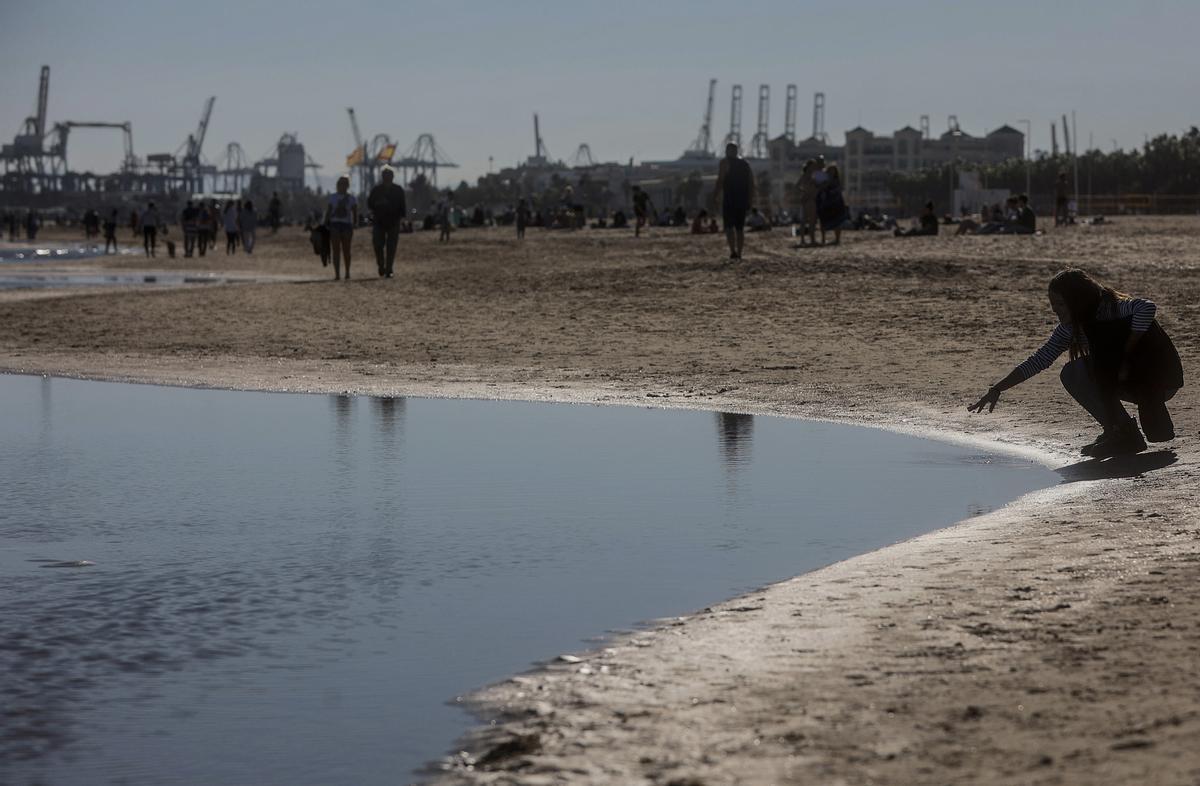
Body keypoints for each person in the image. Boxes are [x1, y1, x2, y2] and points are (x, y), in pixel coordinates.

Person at [969, 269, 1183, 458]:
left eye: (1060, 304)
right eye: (1053, 305)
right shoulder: (1069, 328)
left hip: (1160, 382)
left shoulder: (1109, 309)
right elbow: (1039, 360)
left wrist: (1127, 351)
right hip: (1126, 380)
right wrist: (997, 388)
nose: (1055, 310)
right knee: (1072, 372)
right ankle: (1121, 431)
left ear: (1077, 299)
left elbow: (1146, 307)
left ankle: (1122, 433)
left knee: (1077, 371)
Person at [713, 142, 754, 261]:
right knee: (740, 228)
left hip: (730, 199)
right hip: (742, 199)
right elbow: (751, 184)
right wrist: (750, 200)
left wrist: (715, 195)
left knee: (730, 227)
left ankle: (733, 251)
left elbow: (720, 180)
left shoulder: (725, 162)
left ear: (727, 151)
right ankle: (739, 253)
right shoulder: (746, 164)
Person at [367, 166, 406, 277]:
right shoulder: (376, 190)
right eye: (385, 175)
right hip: (379, 221)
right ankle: (381, 265)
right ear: (382, 177)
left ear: (393, 177)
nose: (387, 177)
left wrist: (402, 219)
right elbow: (370, 203)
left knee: (391, 246)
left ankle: (389, 269)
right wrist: (378, 204)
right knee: (377, 244)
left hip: (394, 221)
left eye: (389, 175)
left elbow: (402, 206)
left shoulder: (398, 190)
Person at [324, 175, 358, 279]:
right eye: (340, 184)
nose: (341, 186)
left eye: (344, 184)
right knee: (336, 250)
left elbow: (355, 212)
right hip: (335, 224)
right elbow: (329, 211)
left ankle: (347, 272)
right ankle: (337, 274)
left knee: (346, 250)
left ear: (347, 185)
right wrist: (326, 222)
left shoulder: (352, 198)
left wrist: (355, 224)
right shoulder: (332, 197)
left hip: (346, 225)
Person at [816, 164, 846, 246]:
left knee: (837, 222)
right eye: (829, 170)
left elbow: (839, 190)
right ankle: (823, 239)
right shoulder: (823, 178)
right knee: (823, 221)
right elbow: (819, 186)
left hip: (836, 203)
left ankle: (837, 239)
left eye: (833, 171)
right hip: (825, 203)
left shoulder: (837, 180)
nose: (831, 172)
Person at [796, 159, 819, 246]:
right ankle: (803, 240)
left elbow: (819, 187)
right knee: (804, 220)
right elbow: (797, 186)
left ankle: (812, 239)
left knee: (812, 221)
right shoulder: (805, 176)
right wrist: (804, 192)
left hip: (812, 199)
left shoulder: (814, 176)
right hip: (807, 200)